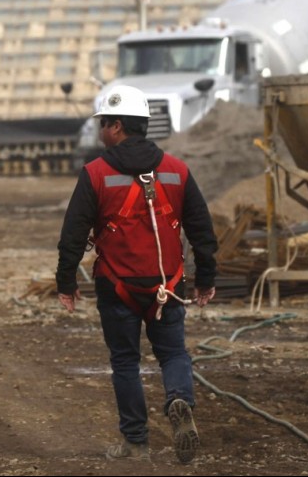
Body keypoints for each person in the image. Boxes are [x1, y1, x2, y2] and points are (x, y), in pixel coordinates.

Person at [55, 85, 218, 464]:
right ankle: (179, 398)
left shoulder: (95, 174)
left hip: (118, 286)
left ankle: (136, 442)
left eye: (103, 124)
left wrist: (66, 283)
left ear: (115, 126)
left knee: (126, 362)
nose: (99, 131)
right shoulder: (177, 171)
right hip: (168, 284)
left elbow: (73, 234)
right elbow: (201, 230)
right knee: (173, 353)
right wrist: (206, 278)